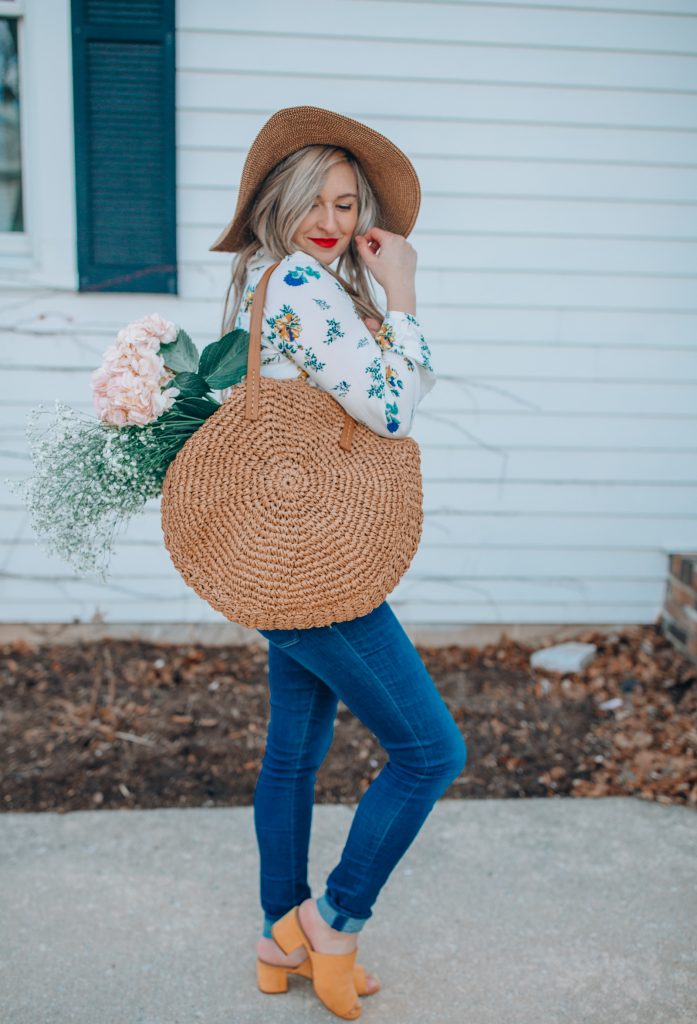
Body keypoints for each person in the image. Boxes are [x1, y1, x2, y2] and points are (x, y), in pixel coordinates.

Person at [209, 106, 468, 1020]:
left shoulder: (272, 283)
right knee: (432, 750)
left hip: (280, 555)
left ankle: (280, 932)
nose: (332, 219)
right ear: (277, 201)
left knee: (293, 753)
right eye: (313, 199)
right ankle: (334, 922)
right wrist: (403, 294)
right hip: (317, 564)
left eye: (349, 203)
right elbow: (389, 410)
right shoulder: (303, 286)